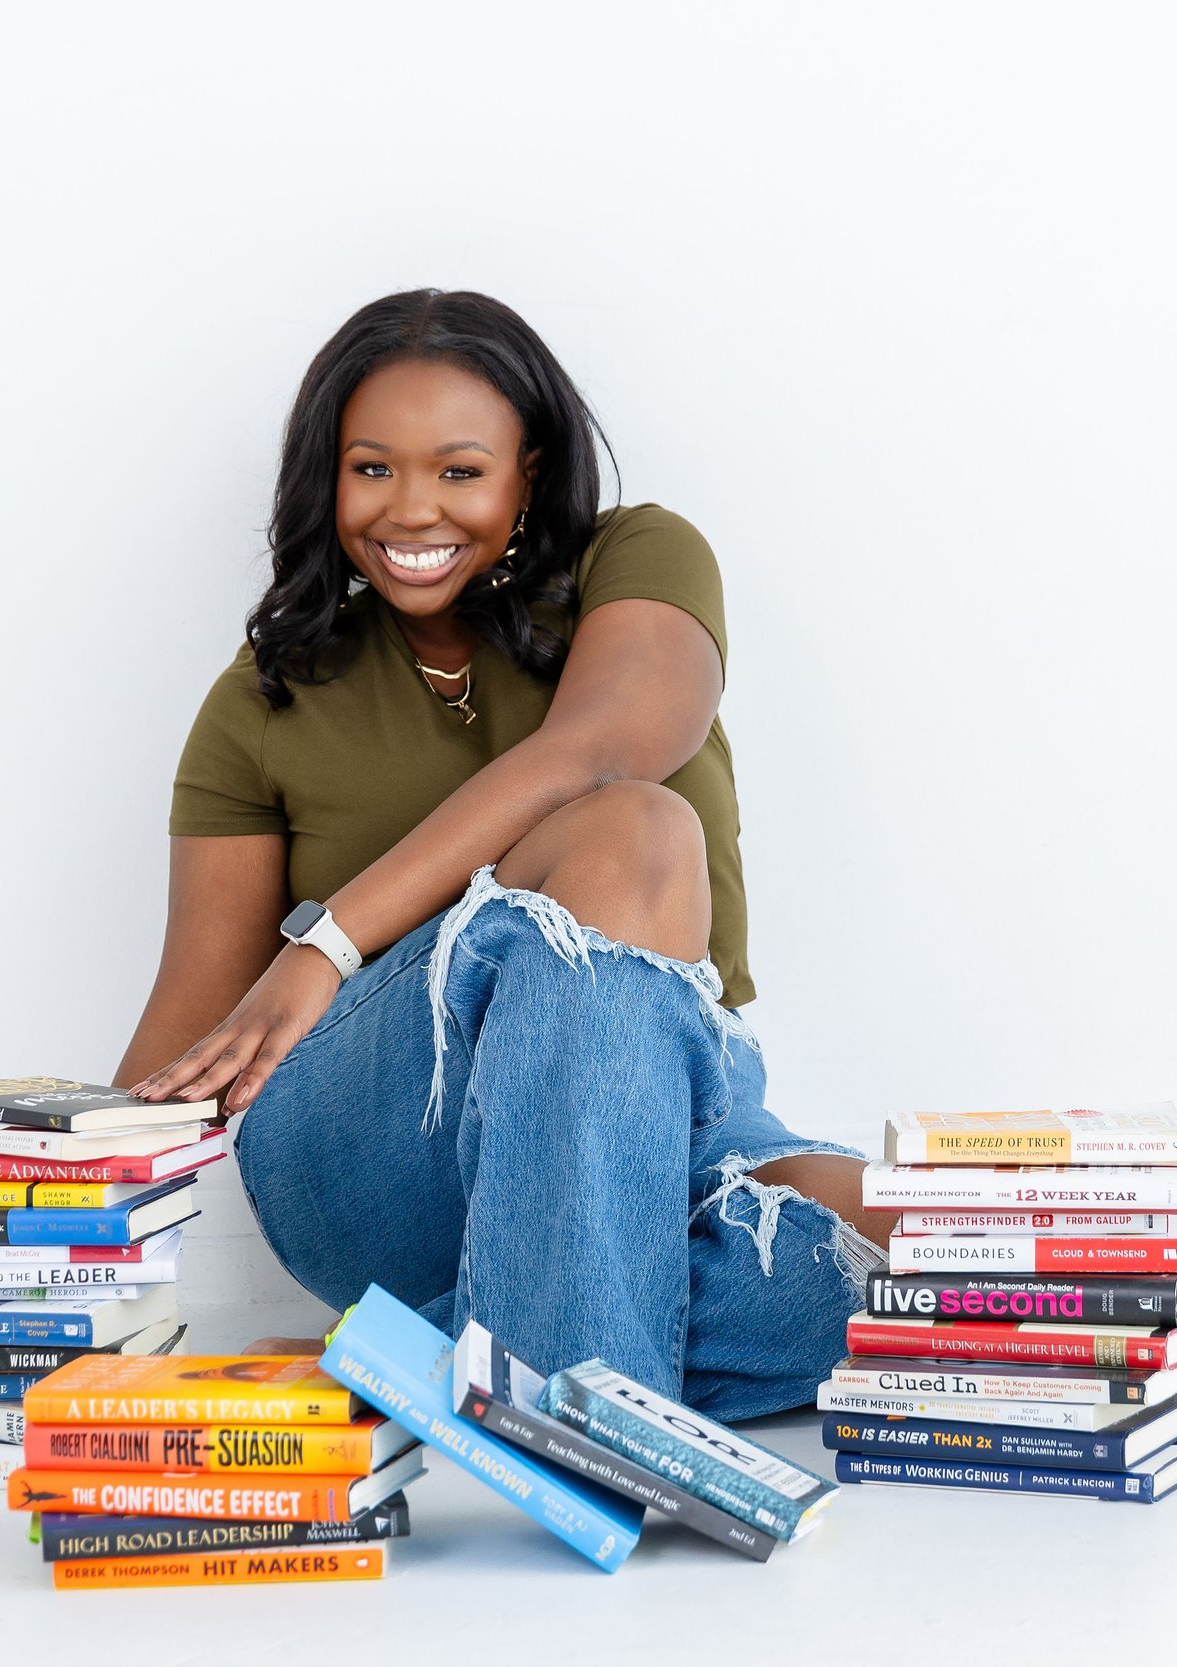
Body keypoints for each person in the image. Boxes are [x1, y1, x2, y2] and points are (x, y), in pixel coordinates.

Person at [114, 289, 888, 1419]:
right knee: (638, 831)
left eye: (460, 470)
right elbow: (189, 1037)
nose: (410, 507)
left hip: (667, 1109)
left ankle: (462, 1363)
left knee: (929, 1258)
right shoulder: (261, 702)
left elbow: (594, 750)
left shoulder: (641, 561)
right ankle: (578, 1416)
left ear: (531, 468)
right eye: (371, 468)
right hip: (373, 1145)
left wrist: (324, 939)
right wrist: (30, 1246)